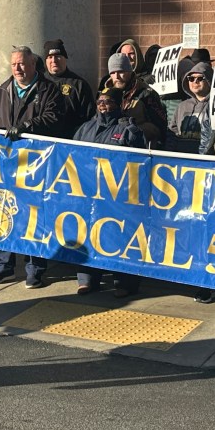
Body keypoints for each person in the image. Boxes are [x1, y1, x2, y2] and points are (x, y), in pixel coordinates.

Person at [0, 45, 63, 287]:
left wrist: (27, 126)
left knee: (33, 215)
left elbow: (54, 118)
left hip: (36, 164)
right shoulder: (3, 90)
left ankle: (35, 269)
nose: (17, 68)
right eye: (14, 64)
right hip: (6, 163)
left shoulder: (49, 90)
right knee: (3, 211)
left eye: (22, 64)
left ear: (32, 65)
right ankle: (4, 266)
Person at [73, 87, 147, 297]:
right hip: (88, 193)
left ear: (119, 104)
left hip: (118, 196)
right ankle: (87, 278)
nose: (103, 104)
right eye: (100, 101)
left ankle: (124, 282)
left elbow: (137, 159)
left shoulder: (128, 128)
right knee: (87, 234)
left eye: (109, 101)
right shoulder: (85, 128)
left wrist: (132, 132)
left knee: (120, 237)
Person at [104, 52, 168, 145]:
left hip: (137, 148)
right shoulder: (105, 94)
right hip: (110, 146)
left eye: (121, 71)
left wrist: (134, 128)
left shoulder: (146, 94)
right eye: (113, 73)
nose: (117, 76)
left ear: (129, 71)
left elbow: (160, 129)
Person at [41, 39, 96, 139]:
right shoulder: (39, 83)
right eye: (50, 57)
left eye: (58, 56)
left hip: (69, 143)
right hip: (42, 142)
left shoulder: (79, 85)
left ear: (65, 58)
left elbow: (89, 118)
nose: (54, 60)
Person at [169, 61, 211, 155]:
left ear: (209, 81)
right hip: (181, 159)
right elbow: (172, 134)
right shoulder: (182, 106)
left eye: (200, 78)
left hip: (205, 160)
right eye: (191, 78)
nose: (195, 81)